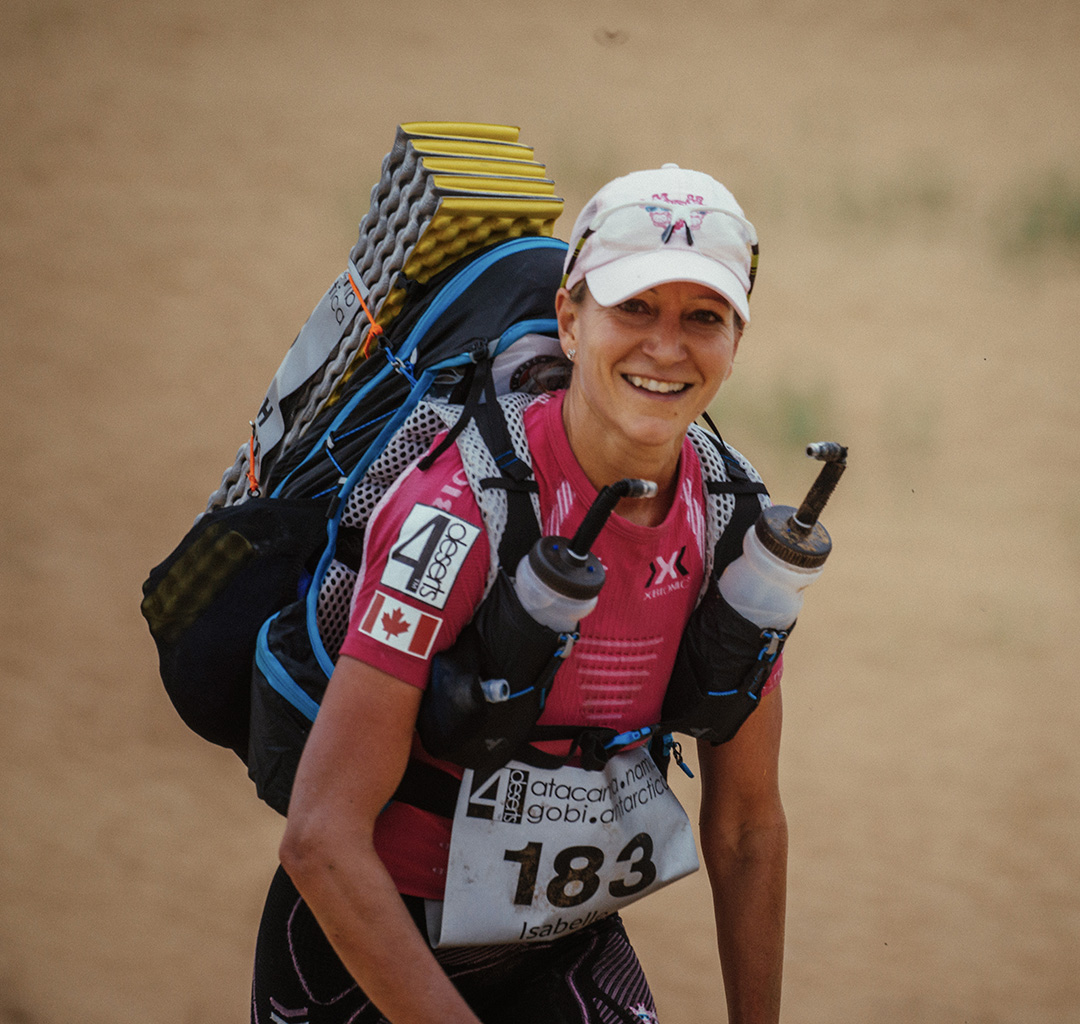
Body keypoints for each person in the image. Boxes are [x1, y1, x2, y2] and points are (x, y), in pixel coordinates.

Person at [251, 164, 788, 1024]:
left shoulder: (733, 518)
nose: (666, 347)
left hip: (565, 944)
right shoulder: (457, 510)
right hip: (367, 950)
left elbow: (747, 827)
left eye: (704, 317)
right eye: (634, 307)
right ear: (570, 319)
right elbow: (322, 840)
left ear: (736, 341)